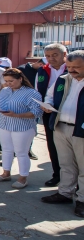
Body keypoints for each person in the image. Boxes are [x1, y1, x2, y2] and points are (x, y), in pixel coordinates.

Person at [41, 50, 84, 217]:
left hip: (80, 130)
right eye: (70, 66)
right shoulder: (63, 79)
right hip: (61, 127)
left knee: (83, 167)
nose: (72, 70)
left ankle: (81, 200)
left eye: (77, 67)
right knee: (66, 163)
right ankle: (65, 193)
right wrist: (47, 104)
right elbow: (49, 96)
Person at [0, 69, 43, 189]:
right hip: (4, 124)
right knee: (7, 150)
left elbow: (37, 112)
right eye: (6, 81)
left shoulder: (31, 93)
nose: (8, 83)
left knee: (21, 153)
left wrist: (17, 115)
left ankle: (23, 178)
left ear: (20, 79)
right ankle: (5, 173)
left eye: (11, 81)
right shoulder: (4, 90)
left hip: (22, 127)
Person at [35, 44, 68, 187]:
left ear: (64, 54)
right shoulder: (43, 70)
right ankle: (57, 175)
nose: (51, 59)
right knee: (52, 144)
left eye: (54, 55)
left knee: (69, 148)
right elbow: (38, 90)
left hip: (69, 113)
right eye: (47, 56)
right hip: (49, 112)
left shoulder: (71, 69)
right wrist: (43, 105)